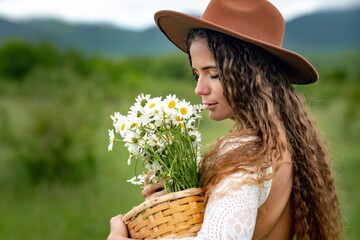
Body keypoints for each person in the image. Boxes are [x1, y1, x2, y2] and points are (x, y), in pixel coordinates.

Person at [107, 0, 342, 239]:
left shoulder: (246, 154)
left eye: (214, 74)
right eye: (197, 74)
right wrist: (174, 201)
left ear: (252, 75)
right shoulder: (283, 143)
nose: (200, 88)